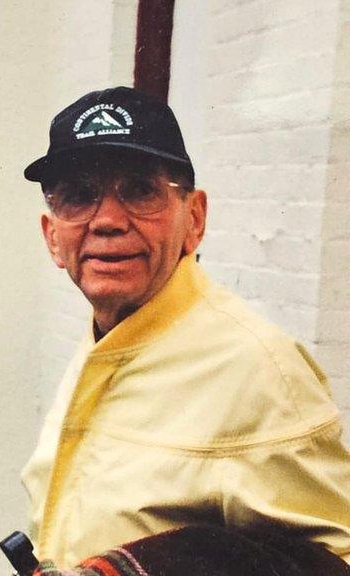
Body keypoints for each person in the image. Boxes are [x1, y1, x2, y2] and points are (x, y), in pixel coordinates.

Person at [20, 86, 350, 570]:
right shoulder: (107, 335)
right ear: (53, 236)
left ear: (194, 219)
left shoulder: (258, 369)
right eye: (78, 196)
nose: (108, 220)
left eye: (139, 190)